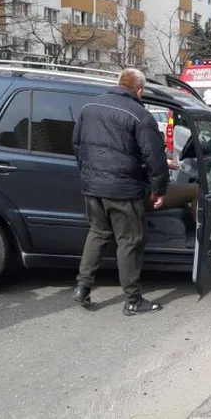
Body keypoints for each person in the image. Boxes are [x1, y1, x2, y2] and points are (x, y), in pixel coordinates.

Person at [72, 68, 168, 316]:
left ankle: (82, 287)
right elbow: (154, 156)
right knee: (130, 241)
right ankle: (133, 300)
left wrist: (90, 172)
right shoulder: (139, 114)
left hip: (92, 186)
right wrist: (158, 188)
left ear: (118, 83)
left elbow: (77, 145)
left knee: (98, 232)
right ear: (140, 90)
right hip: (123, 189)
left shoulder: (89, 108)